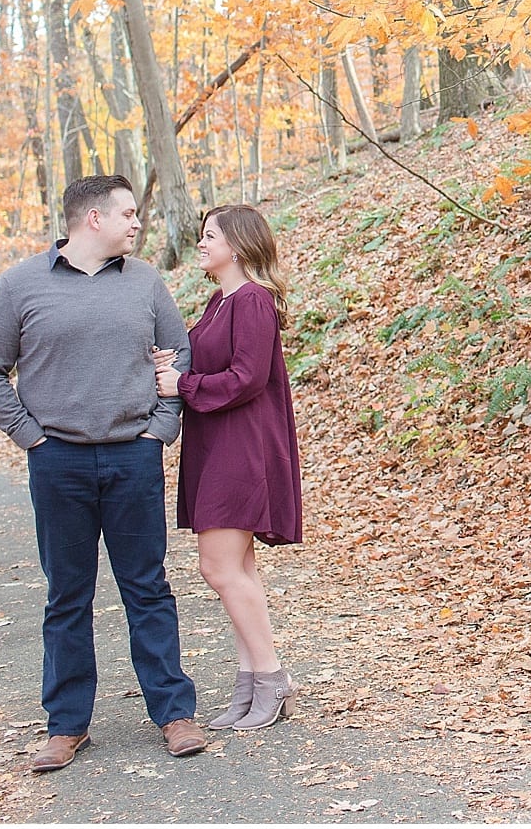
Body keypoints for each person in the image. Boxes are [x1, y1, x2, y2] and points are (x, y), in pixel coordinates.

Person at [0, 174, 208, 771]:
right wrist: (31, 437)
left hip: (133, 456)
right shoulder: (22, 284)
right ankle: (67, 725)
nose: (136, 223)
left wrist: (161, 428)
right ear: (92, 218)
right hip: (58, 462)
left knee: (147, 588)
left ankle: (175, 713)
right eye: (127, 213)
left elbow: (180, 355)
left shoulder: (146, 282)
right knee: (67, 593)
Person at [153, 203, 304, 730]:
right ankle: (250, 686)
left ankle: (272, 677)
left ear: (236, 246)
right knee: (238, 570)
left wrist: (183, 386)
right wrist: (173, 367)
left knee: (217, 568)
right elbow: (212, 362)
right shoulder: (221, 300)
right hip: (218, 444)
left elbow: (246, 377)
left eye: (209, 235)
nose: (200, 243)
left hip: (243, 449)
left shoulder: (253, 301)